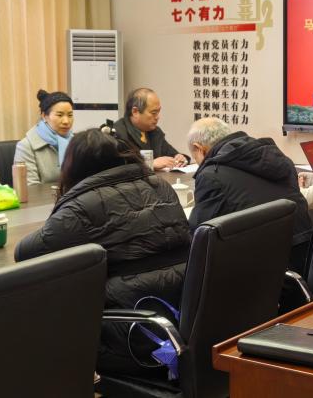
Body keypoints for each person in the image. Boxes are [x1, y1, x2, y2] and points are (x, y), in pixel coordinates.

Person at [15, 127, 190, 374]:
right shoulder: (159, 185)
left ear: (73, 167)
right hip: (182, 321)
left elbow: (25, 253)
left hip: (130, 335)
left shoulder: (80, 207)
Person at [187, 117, 313, 244]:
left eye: (195, 158)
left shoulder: (210, 176)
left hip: (262, 253)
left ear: (199, 148)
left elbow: (200, 236)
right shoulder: (277, 158)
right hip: (303, 245)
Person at [113, 87, 188, 170]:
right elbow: (116, 169)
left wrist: (180, 157)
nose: (158, 117)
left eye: (158, 112)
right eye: (154, 113)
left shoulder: (155, 132)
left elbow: (172, 154)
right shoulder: (117, 134)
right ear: (135, 112)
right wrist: (150, 164)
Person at [14, 89, 74, 185]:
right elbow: (31, 188)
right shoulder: (26, 146)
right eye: (60, 115)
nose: (66, 121)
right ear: (44, 116)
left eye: (70, 115)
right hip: (46, 195)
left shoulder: (76, 142)